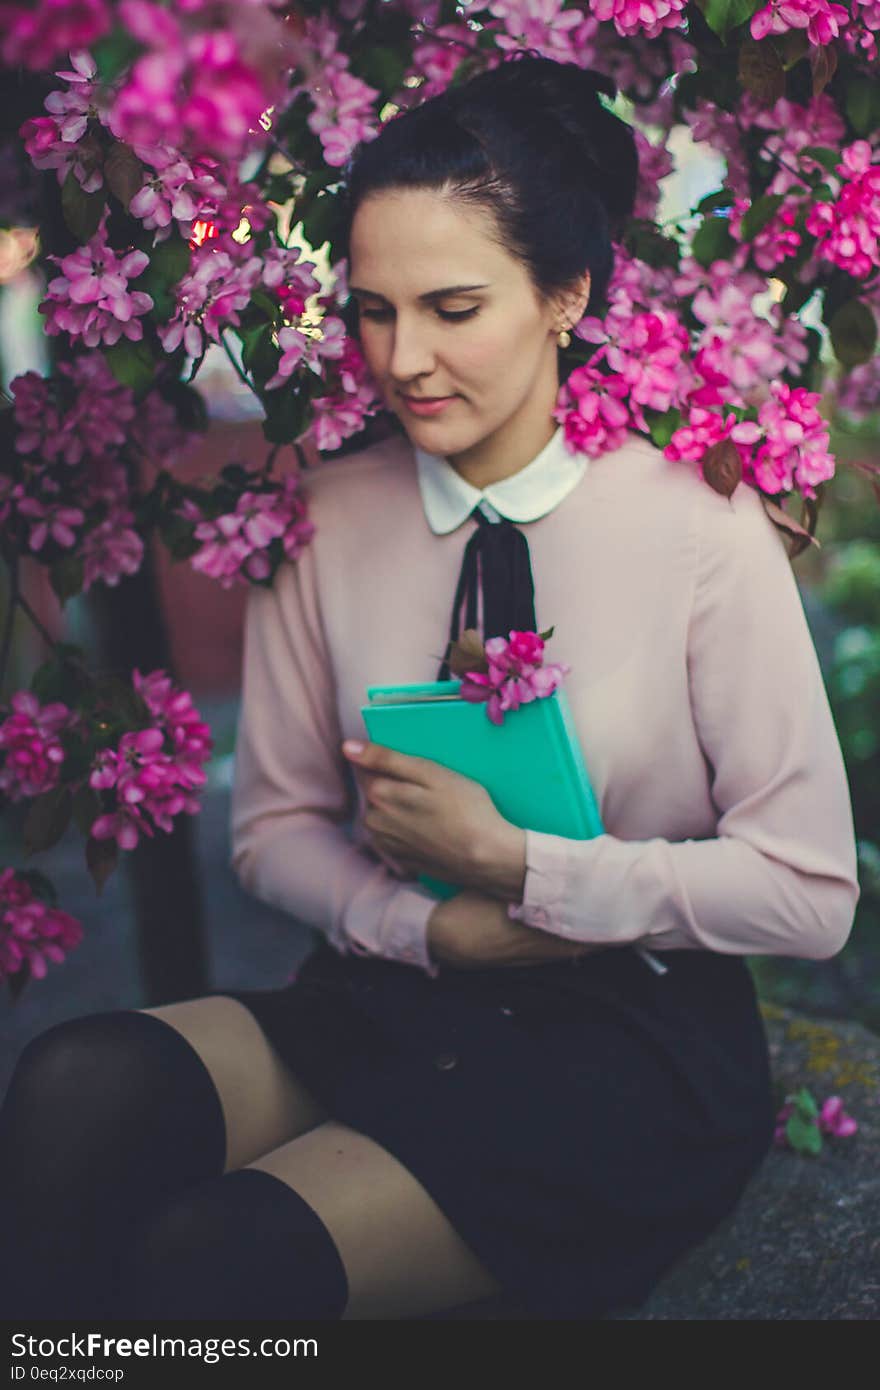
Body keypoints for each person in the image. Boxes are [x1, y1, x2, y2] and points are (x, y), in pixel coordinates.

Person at [0, 52, 860, 1324]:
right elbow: (276, 830)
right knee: (72, 1083)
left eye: (453, 308)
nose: (404, 360)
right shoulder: (328, 518)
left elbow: (810, 891)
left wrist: (526, 870)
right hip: (393, 982)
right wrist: (426, 926)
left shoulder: (703, 534)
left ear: (565, 293)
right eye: (373, 311)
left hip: (630, 1029)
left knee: (217, 1257)